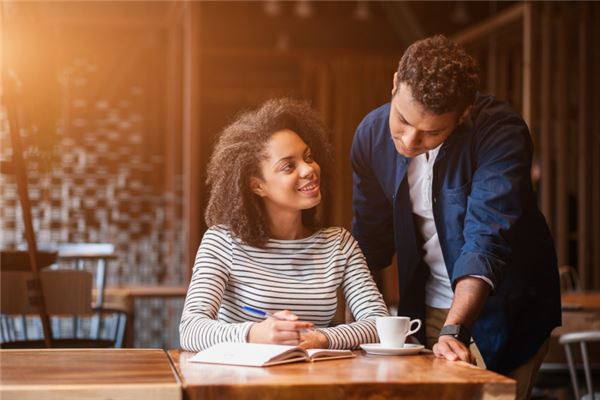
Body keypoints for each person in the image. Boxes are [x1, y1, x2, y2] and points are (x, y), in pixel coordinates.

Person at [350, 35, 561, 399]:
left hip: (505, 311)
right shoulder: (371, 136)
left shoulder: (500, 134)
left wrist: (455, 329)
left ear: (462, 114)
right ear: (395, 81)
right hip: (424, 306)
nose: (409, 141)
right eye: (402, 119)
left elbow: (486, 240)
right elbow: (369, 241)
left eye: (432, 132)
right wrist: (348, 325)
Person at [180, 98, 388, 352]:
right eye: (288, 166)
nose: (308, 170)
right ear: (258, 185)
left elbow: (379, 323)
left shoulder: (339, 244)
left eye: (308, 157)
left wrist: (322, 338)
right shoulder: (222, 242)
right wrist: (255, 333)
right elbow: (190, 329)